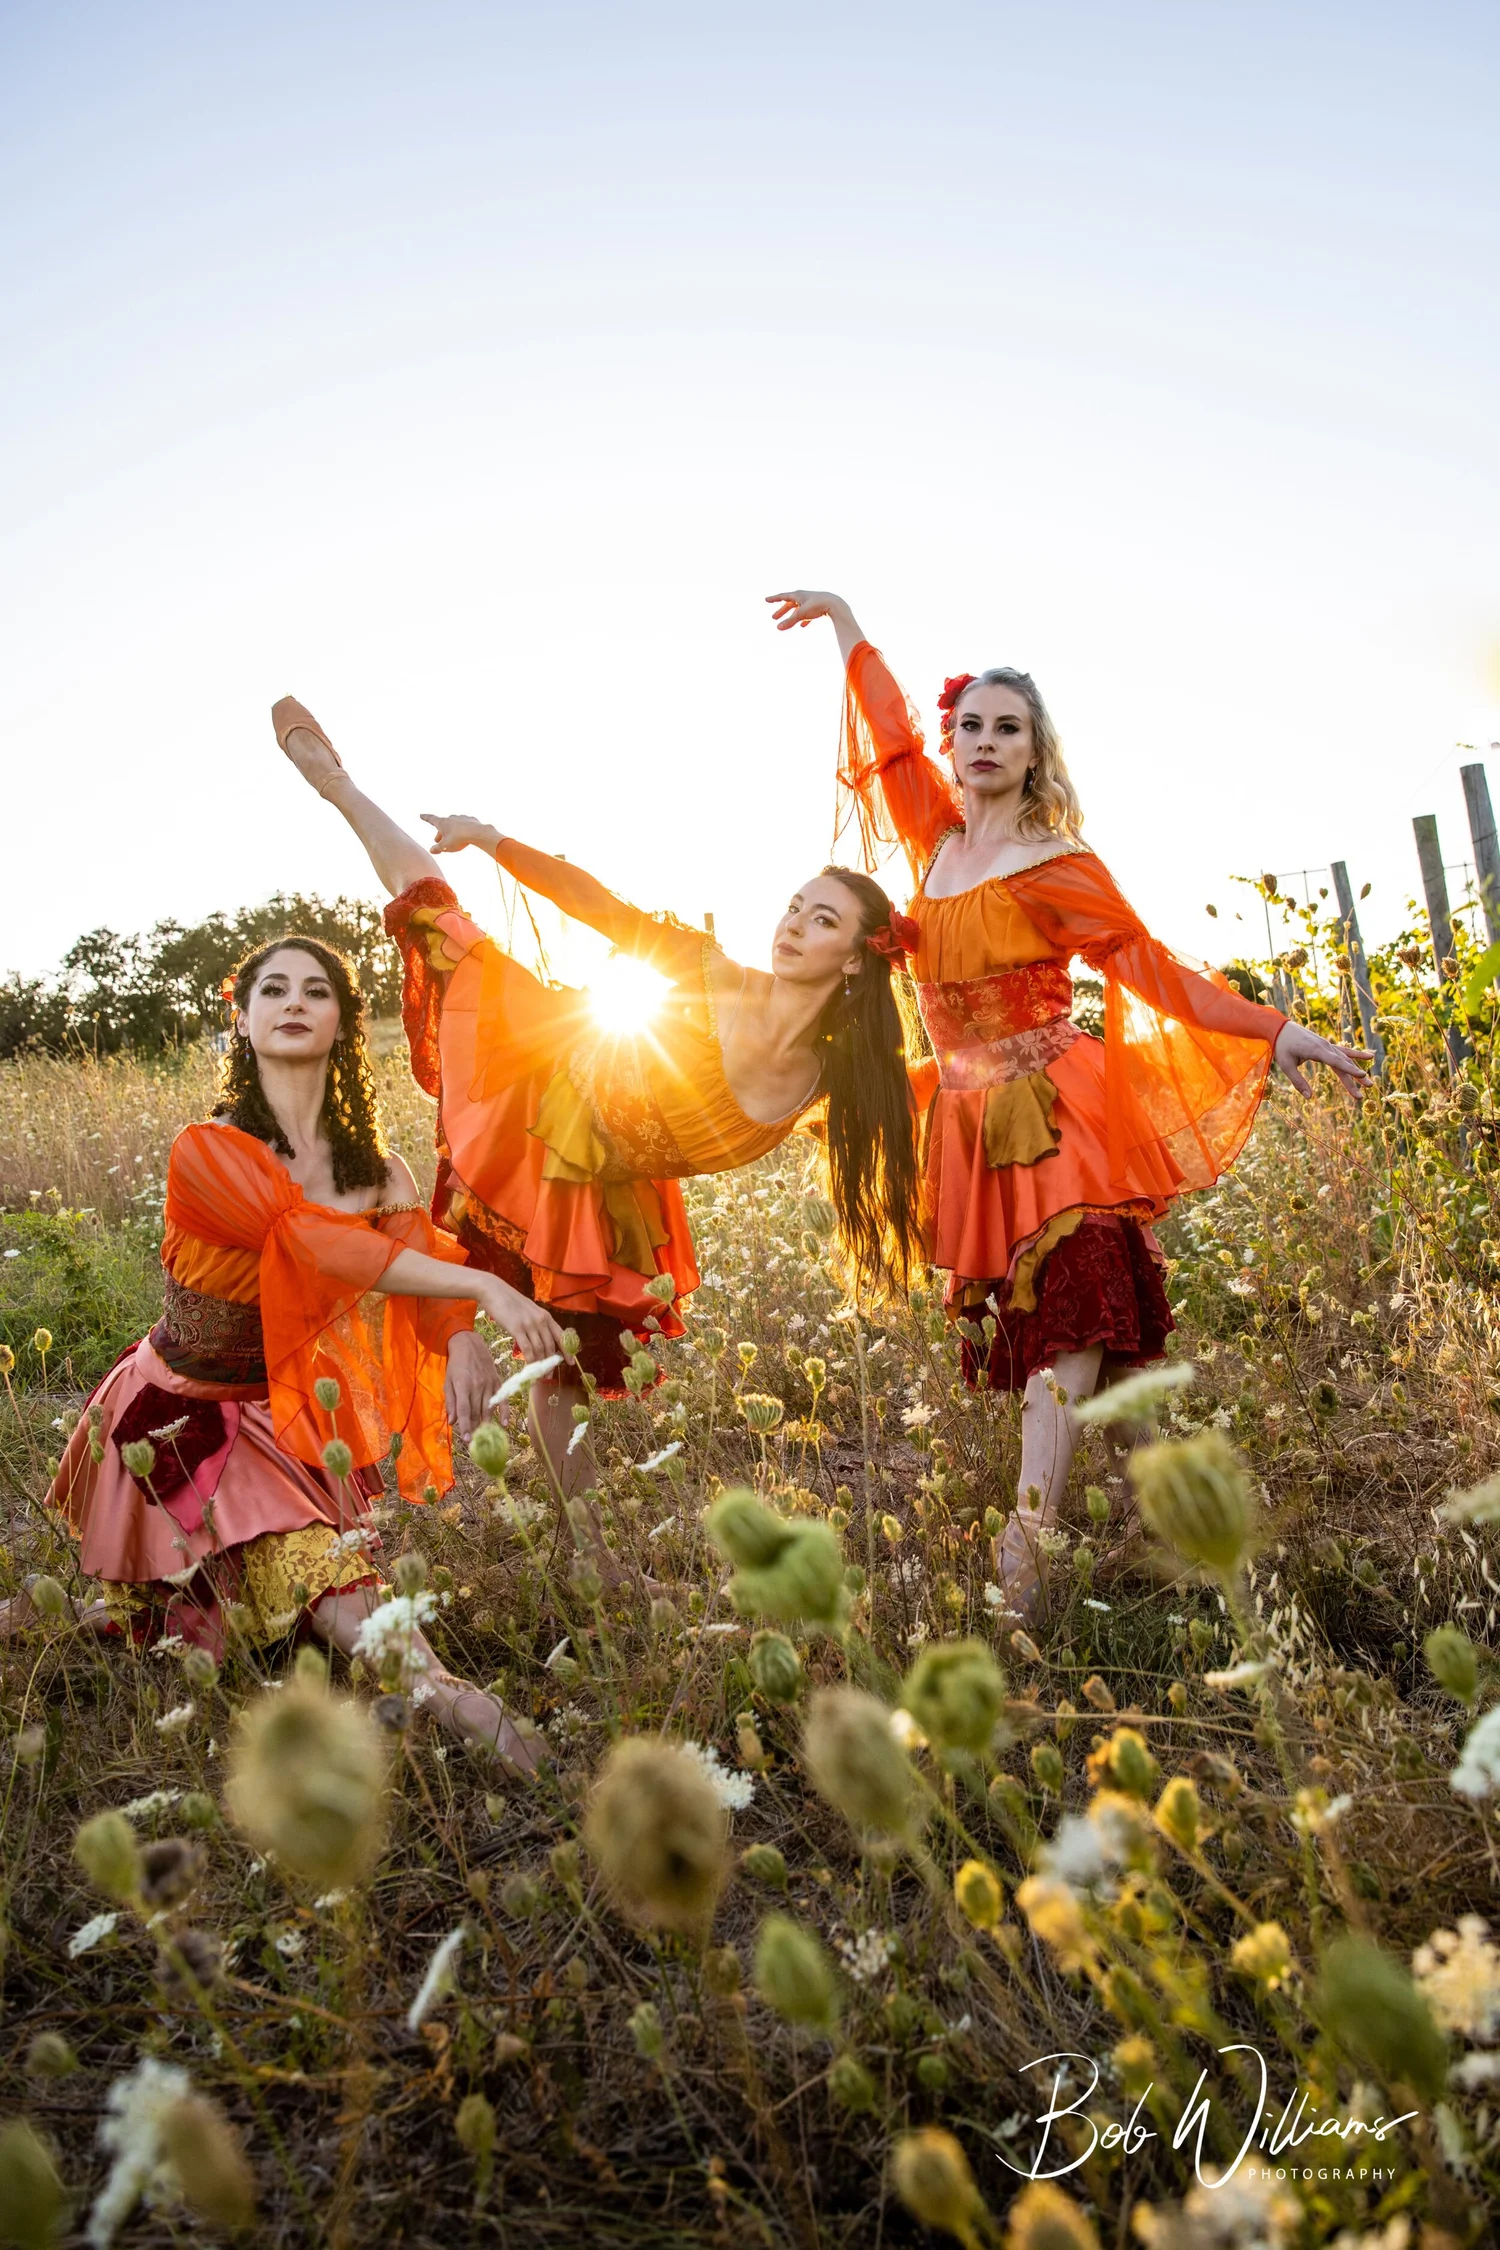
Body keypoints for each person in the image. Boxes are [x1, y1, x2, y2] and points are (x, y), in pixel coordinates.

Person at [767, 589, 1373, 1619]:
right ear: (955, 745)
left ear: (1036, 751)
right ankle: (1215, 1540)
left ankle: (1029, 1544)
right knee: (1106, 1359)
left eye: (1010, 728)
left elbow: (1149, 967)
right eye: (973, 727)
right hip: (967, 1119)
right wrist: (846, 627)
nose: (987, 741)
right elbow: (887, 744)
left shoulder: (1058, 864)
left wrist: (1276, 1031)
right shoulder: (933, 844)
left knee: (1071, 1318)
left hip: (1057, 1115)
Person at [269, 696, 923, 1558]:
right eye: (796, 906)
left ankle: (586, 1555)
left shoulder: (846, 1079)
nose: (793, 925)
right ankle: (341, 787)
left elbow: (952, 1081)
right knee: (438, 913)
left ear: (855, 961)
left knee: (564, 1365)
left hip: (615, 1184)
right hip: (547, 1085)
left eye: (822, 920)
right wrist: (495, 837)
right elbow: (601, 908)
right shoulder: (712, 973)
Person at [10, 934, 545, 1773]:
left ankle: (452, 1698)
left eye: (316, 990)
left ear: (342, 1021)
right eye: (274, 990)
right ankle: (445, 1693)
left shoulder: (379, 1169)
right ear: (245, 1019)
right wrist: (486, 1290)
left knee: (328, 1599)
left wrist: (466, 1331)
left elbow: (421, 1267)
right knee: (171, 1621)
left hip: (285, 1414)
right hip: (180, 1419)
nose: (295, 1001)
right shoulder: (208, 1149)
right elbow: (308, 1246)